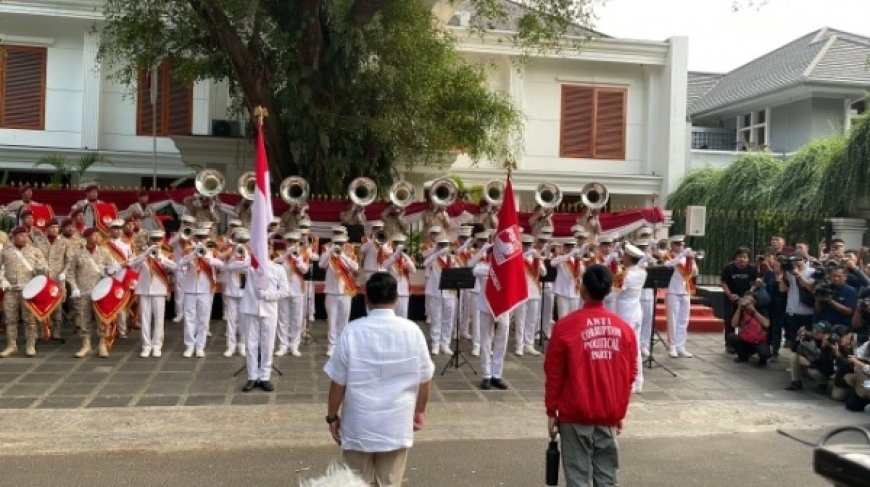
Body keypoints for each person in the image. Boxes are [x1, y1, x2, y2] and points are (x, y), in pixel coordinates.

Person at [323, 272, 434, 486]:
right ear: (396, 298)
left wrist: (332, 417)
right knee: (390, 482)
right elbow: (425, 379)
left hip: (359, 424)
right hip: (396, 423)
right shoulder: (413, 331)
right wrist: (419, 411)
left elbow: (338, 383)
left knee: (355, 482)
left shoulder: (351, 331)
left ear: (366, 299)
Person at [544, 265, 638, 486]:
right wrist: (618, 412)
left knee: (577, 478)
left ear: (582, 288)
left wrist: (551, 410)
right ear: (608, 291)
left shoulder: (565, 326)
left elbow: (554, 373)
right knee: (606, 478)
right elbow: (630, 375)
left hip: (575, 414)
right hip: (608, 413)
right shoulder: (624, 330)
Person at [235, 247, 290, 392]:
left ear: (271, 252)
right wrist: (246, 255)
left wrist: (268, 295)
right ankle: (252, 376)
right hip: (250, 308)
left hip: (269, 310)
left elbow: (285, 291)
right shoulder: (250, 266)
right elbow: (231, 266)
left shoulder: (278, 268)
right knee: (251, 344)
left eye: (266, 249)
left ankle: (265, 376)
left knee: (268, 344)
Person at [67, 228, 118, 358]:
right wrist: (74, 287)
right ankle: (86, 345)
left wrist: (115, 269)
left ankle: (102, 344)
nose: (97, 237)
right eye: (94, 235)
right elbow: (70, 273)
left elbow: (113, 267)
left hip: (100, 292)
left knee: (102, 319)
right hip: (83, 292)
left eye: (98, 235)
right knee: (84, 319)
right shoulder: (78, 254)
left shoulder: (104, 252)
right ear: (87, 237)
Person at [0, 227, 49, 357]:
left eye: (26, 235)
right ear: (14, 236)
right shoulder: (5, 251)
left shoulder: (35, 251)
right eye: (21, 235)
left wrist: (41, 269)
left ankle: (30, 345)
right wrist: (2, 280)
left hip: (29, 291)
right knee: (10, 319)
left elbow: (45, 269)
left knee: (30, 320)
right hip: (11, 290)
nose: (24, 238)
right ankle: (11, 345)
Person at [129, 230, 177, 358]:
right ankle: (146, 345)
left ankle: (157, 345)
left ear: (162, 241)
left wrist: (161, 258)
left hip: (159, 291)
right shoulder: (142, 254)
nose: (156, 242)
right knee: (145, 320)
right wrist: (146, 254)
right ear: (149, 240)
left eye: (158, 240)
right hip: (144, 290)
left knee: (159, 320)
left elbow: (176, 267)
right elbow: (132, 265)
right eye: (154, 240)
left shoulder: (166, 255)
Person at [178, 228, 224, 357]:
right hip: (190, 289)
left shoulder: (212, 251)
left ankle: (200, 346)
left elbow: (223, 265)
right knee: (189, 319)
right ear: (195, 238)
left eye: (203, 237)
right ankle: (189, 346)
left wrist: (210, 259)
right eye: (199, 237)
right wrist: (194, 254)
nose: (201, 240)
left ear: (207, 238)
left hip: (205, 289)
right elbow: (180, 264)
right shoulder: (188, 250)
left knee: (203, 319)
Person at [472, 245, 511, 390]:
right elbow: (475, 271)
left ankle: (497, 374)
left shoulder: (506, 266)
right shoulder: (482, 266)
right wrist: (496, 269)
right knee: (486, 341)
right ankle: (486, 375)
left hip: (503, 307)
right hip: (486, 307)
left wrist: (503, 267)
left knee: (502, 341)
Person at [612, 244, 647, 393]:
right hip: (636, 311)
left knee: (624, 348)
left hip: (625, 313)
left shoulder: (625, 275)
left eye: (624, 256)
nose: (622, 258)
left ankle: (628, 382)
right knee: (636, 347)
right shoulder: (642, 272)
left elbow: (613, 293)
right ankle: (638, 382)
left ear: (628, 257)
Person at [320, 234, 359, 357]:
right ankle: (331, 346)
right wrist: (330, 252)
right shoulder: (328, 254)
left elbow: (356, 268)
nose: (339, 245)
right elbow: (321, 265)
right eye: (337, 243)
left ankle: (342, 345)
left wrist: (343, 256)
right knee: (332, 320)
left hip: (345, 291)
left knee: (344, 320)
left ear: (345, 243)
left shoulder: (349, 253)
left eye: (341, 243)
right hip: (331, 291)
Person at [34, 218, 71, 340]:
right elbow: (34, 257)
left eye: (56, 227)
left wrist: (64, 273)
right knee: (40, 304)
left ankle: (56, 331)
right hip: (42, 278)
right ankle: (41, 330)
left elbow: (69, 260)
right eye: (52, 228)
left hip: (57, 278)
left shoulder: (64, 242)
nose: (55, 230)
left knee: (57, 306)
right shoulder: (38, 242)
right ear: (46, 229)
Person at [275, 232, 308, 357]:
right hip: (284, 290)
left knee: (297, 319)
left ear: (298, 242)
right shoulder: (280, 253)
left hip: (297, 289)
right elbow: (274, 263)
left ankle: (294, 345)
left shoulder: (302, 254)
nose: (292, 244)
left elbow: (305, 270)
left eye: (294, 241)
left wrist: (297, 259)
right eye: (290, 241)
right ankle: (283, 345)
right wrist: (286, 255)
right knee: (283, 319)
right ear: (286, 242)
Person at [720, 247, 760, 351]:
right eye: (739, 256)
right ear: (735, 258)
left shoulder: (752, 269)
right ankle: (729, 344)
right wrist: (729, 294)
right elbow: (723, 282)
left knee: (745, 320)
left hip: (745, 298)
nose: (742, 259)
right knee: (729, 321)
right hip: (731, 298)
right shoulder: (728, 268)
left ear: (748, 259)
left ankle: (744, 341)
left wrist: (749, 295)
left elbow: (754, 284)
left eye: (744, 257)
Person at [664, 235, 697, 358]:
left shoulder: (687, 258)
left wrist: (691, 259)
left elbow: (694, 272)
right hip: (673, 290)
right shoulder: (669, 256)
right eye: (677, 244)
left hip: (685, 290)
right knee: (673, 319)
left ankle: (680, 346)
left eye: (681, 244)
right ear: (671, 245)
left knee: (684, 319)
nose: (680, 246)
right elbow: (668, 265)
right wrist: (681, 255)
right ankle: (672, 346)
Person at [220, 228, 250, 358]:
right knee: (231, 320)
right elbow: (226, 267)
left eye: (244, 241)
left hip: (245, 293)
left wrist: (244, 257)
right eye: (239, 240)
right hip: (232, 291)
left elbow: (250, 266)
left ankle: (242, 345)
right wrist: (235, 257)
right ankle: (230, 346)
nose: (241, 243)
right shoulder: (229, 253)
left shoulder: (250, 253)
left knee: (244, 320)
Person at [515, 234, 545, 356]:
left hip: (535, 292)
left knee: (532, 320)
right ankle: (519, 345)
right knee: (520, 319)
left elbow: (544, 273)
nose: (527, 247)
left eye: (528, 245)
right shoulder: (517, 258)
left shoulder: (535, 258)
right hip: (521, 292)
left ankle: (529, 344)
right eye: (524, 245)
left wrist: (537, 258)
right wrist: (525, 255)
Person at [726, 293, 771, 365]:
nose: (746, 302)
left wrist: (754, 311)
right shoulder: (742, 311)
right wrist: (739, 308)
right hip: (745, 339)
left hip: (758, 340)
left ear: (755, 301)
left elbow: (766, 324)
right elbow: (733, 324)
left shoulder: (761, 309)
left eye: (749, 300)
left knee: (764, 354)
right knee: (731, 337)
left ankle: (762, 359)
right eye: (745, 299)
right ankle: (743, 356)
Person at [380, 234, 416, 319]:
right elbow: (383, 267)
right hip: (391, 292)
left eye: (401, 243)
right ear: (393, 244)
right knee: (390, 318)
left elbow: (413, 270)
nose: (400, 245)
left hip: (403, 292)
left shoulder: (406, 259)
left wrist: (405, 257)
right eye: (397, 243)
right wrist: (396, 254)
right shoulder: (388, 257)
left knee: (403, 318)